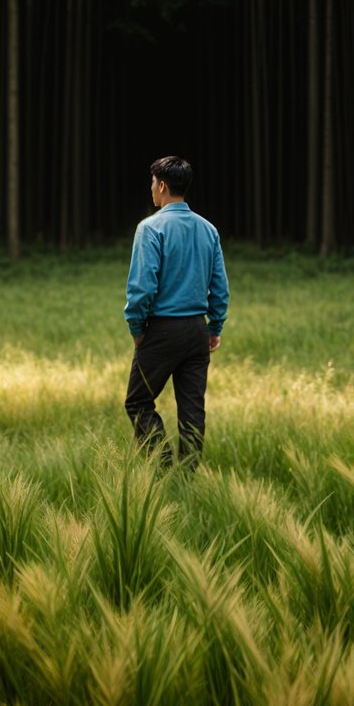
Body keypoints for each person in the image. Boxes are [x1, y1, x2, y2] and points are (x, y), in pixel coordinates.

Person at [124, 156, 230, 470]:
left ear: (163, 185)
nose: (151, 189)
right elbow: (219, 286)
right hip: (198, 331)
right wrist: (215, 327)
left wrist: (137, 328)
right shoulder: (208, 229)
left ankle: (164, 466)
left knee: (138, 402)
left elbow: (142, 288)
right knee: (192, 411)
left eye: (152, 183)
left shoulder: (150, 228)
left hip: (161, 330)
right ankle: (187, 479)